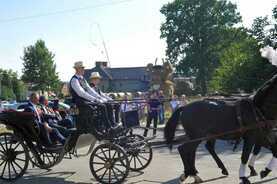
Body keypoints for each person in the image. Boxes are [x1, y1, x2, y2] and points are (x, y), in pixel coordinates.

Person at [69, 61, 120, 136]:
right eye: (82, 68)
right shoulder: (74, 80)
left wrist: (100, 98)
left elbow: (90, 90)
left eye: (83, 68)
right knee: (102, 106)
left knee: (107, 104)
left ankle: (113, 124)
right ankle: (108, 127)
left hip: (86, 101)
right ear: (77, 69)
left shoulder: (82, 79)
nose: (83, 70)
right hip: (79, 103)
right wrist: (95, 99)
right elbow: (81, 93)